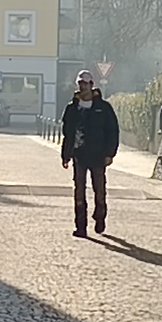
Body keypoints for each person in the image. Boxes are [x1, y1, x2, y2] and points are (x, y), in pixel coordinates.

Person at [61, 70, 120, 236]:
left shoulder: (104, 108)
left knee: (99, 191)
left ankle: (100, 216)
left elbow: (113, 131)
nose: (83, 87)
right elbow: (67, 132)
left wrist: (110, 154)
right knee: (79, 191)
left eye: (86, 83)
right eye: (80, 83)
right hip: (79, 155)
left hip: (98, 155)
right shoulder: (72, 108)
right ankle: (80, 227)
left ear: (92, 85)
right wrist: (66, 155)